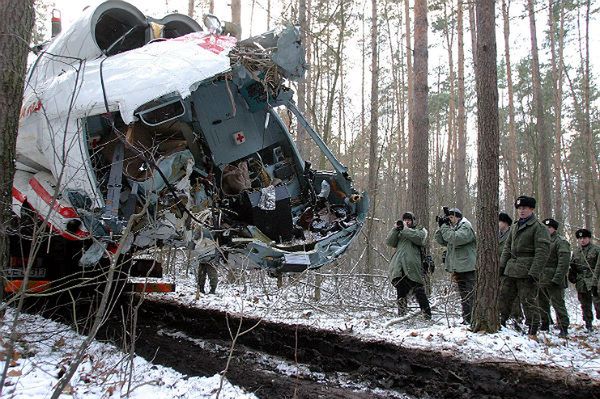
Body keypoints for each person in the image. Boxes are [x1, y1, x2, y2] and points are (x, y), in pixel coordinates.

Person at [499, 196, 550, 336]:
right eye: (519, 208)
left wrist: (534, 272)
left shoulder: (539, 228)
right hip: (511, 269)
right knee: (504, 297)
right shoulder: (514, 227)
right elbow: (507, 248)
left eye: (524, 208)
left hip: (527, 271)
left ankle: (532, 329)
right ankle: (501, 322)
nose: (521, 211)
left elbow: (542, 252)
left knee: (528, 301)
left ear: (532, 209)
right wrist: (502, 267)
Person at [386, 212, 432, 319]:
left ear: (413, 221)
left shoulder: (420, 230)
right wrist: (395, 229)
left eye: (409, 220)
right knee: (401, 291)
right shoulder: (400, 232)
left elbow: (420, 239)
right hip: (399, 266)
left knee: (419, 291)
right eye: (405, 220)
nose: (407, 222)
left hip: (413, 267)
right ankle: (402, 316)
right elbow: (389, 242)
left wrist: (406, 229)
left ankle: (427, 315)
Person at [435, 208, 476, 324]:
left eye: (451, 218)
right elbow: (442, 240)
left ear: (458, 217)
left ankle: (471, 319)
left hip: (468, 267)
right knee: (464, 295)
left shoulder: (465, 226)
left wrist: (444, 227)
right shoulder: (454, 227)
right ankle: (467, 319)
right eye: (448, 218)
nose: (450, 220)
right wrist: (441, 226)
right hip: (460, 267)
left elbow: (454, 238)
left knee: (469, 294)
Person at [538, 218, 570, 337]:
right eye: (545, 228)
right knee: (542, 302)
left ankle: (563, 326)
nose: (547, 230)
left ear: (554, 229)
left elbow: (563, 263)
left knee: (558, 303)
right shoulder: (541, 240)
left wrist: (557, 279)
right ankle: (545, 323)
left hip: (554, 278)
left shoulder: (561, 242)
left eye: (549, 228)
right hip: (541, 278)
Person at [569, 228, 600, 332]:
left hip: (594, 279)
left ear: (589, 238)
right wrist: (572, 274)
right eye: (580, 238)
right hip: (581, 281)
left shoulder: (596, 250)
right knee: (584, 304)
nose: (582, 240)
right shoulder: (576, 252)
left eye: (584, 238)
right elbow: (573, 265)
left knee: (597, 302)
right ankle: (588, 324)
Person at [499, 212, 523, 324]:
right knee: (502, 293)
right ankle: (503, 315)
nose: (497, 224)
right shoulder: (497, 234)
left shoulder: (512, 234)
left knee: (512, 293)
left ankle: (517, 315)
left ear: (506, 223)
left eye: (500, 221)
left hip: (510, 267)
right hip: (499, 266)